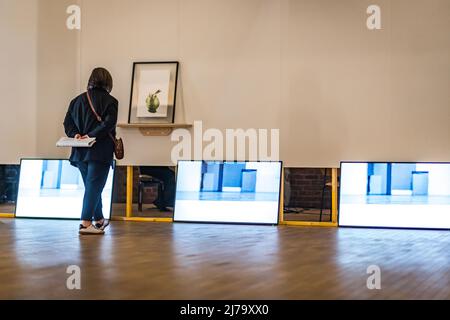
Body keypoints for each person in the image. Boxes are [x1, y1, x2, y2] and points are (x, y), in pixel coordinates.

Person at [63, 67, 118, 235]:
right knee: (94, 187)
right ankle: (85, 224)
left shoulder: (76, 100)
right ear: (108, 82)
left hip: (80, 151)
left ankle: (99, 220)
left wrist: (77, 135)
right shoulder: (111, 101)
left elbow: (67, 124)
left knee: (92, 187)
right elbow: (108, 124)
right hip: (100, 151)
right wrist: (91, 136)